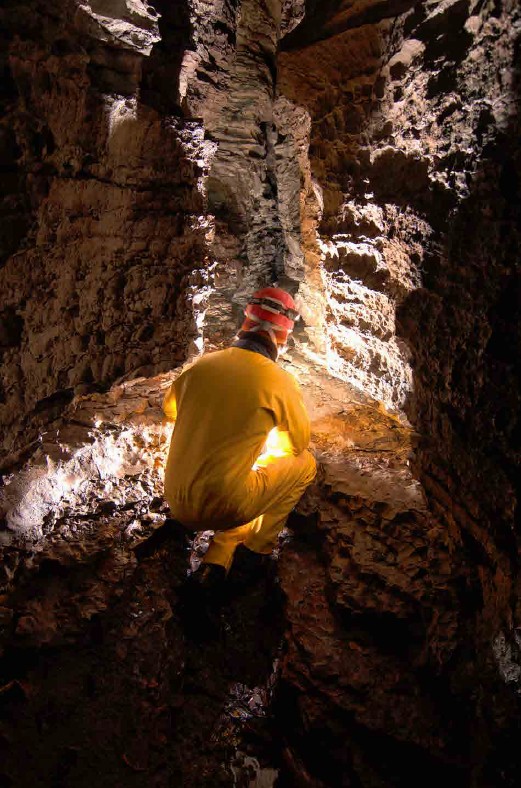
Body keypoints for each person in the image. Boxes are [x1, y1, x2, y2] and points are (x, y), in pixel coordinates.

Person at [162, 286, 316, 590]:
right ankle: (255, 552)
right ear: (283, 338)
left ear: (244, 325)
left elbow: (171, 410)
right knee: (304, 464)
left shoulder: (201, 366)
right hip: (227, 507)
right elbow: (295, 446)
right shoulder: (279, 382)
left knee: (240, 474)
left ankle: (218, 556)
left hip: (176, 500)